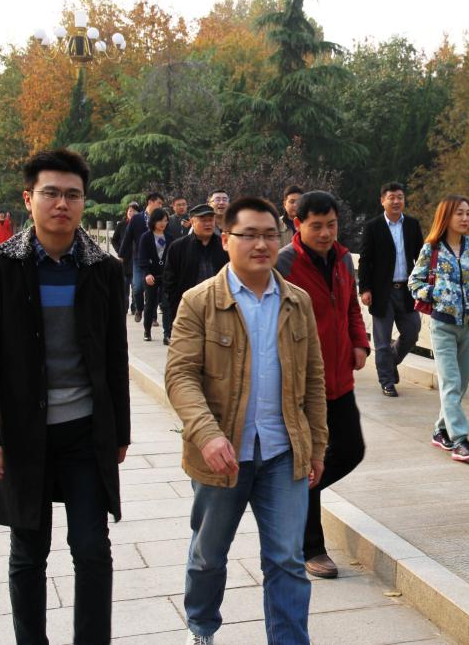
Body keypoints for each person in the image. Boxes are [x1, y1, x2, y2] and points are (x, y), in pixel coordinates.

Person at [0, 149, 130, 644]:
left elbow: (114, 356)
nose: (62, 204)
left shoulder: (104, 269)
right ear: (28, 198)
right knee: (29, 551)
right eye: (51, 193)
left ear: (83, 202)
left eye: (72, 195)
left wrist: (119, 431)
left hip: (85, 432)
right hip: (22, 433)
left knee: (92, 548)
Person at [165, 196, 327, 645]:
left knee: (287, 560)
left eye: (270, 235)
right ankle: (201, 627)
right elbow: (180, 376)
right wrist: (207, 435)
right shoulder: (199, 301)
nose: (261, 244)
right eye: (249, 235)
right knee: (208, 555)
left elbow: (314, 379)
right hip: (222, 455)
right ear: (226, 240)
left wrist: (317, 446)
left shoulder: (297, 301)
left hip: (283, 452)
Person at [276, 190, 368, 579]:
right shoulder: (284, 264)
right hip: (301, 383)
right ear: (298, 224)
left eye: (332, 225)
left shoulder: (344, 259)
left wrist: (359, 342)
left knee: (350, 449)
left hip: (340, 377)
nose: (326, 233)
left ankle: (294, 496)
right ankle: (311, 548)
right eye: (317, 226)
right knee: (308, 459)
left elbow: (350, 307)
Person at [408, 195, 469, 463]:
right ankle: (460, 440)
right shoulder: (431, 248)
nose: (465, 218)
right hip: (443, 325)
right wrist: (438, 294)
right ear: (446, 216)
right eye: (459, 213)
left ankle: (440, 430)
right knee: (451, 383)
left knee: (461, 384)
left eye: (467, 213)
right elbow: (414, 283)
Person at [357, 182, 424, 397]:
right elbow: (365, 260)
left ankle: (391, 361)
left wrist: (424, 284)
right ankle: (386, 381)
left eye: (400, 197)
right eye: (391, 197)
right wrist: (365, 289)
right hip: (381, 292)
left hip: (406, 290)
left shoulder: (412, 225)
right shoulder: (373, 227)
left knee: (412, 332)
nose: (396, 201)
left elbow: (421, 257)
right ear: (382, 201)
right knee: (382, 341)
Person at [162, 203, 229, 335]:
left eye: (210, 220)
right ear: (192, 221)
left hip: (219, 308)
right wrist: (175, 306)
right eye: (203, 220)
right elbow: (169, 280)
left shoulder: (224, 246)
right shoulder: (178, 247)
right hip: (189, 308)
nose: (208, 224)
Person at [118, 191, 164, 323]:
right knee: (137, 288)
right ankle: (139, 308)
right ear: (150, 202)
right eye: (159, 203)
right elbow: (127, 238)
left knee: (153, 289)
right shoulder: (137, 219)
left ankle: (153, 317)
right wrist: (121, 256)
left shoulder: (161, 219)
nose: (161, 206)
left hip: (156, 259)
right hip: (139, 259)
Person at [137, 207, 175, 344]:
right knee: (150, 304)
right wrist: (147, 273)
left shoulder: (170, 238)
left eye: (165, 220)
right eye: (160, 220)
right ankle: (147, 330)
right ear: (153, 221)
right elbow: (142, 257)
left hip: (166, 276)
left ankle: (167, 334)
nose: (163, 223)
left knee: (166, 305)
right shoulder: (146, 237)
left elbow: (173, 258)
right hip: (150, 276)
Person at [113, 202, 140, 314]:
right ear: (126, 212)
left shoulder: (141, 225)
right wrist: (120, 252)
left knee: (136, 287)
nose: (131, 213)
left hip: (136, 260)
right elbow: (114, 240)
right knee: (124, 286)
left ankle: (135, 308)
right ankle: (124, 308)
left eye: (134, 211)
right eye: (130, 211)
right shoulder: (121, 225)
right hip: (124, 260)